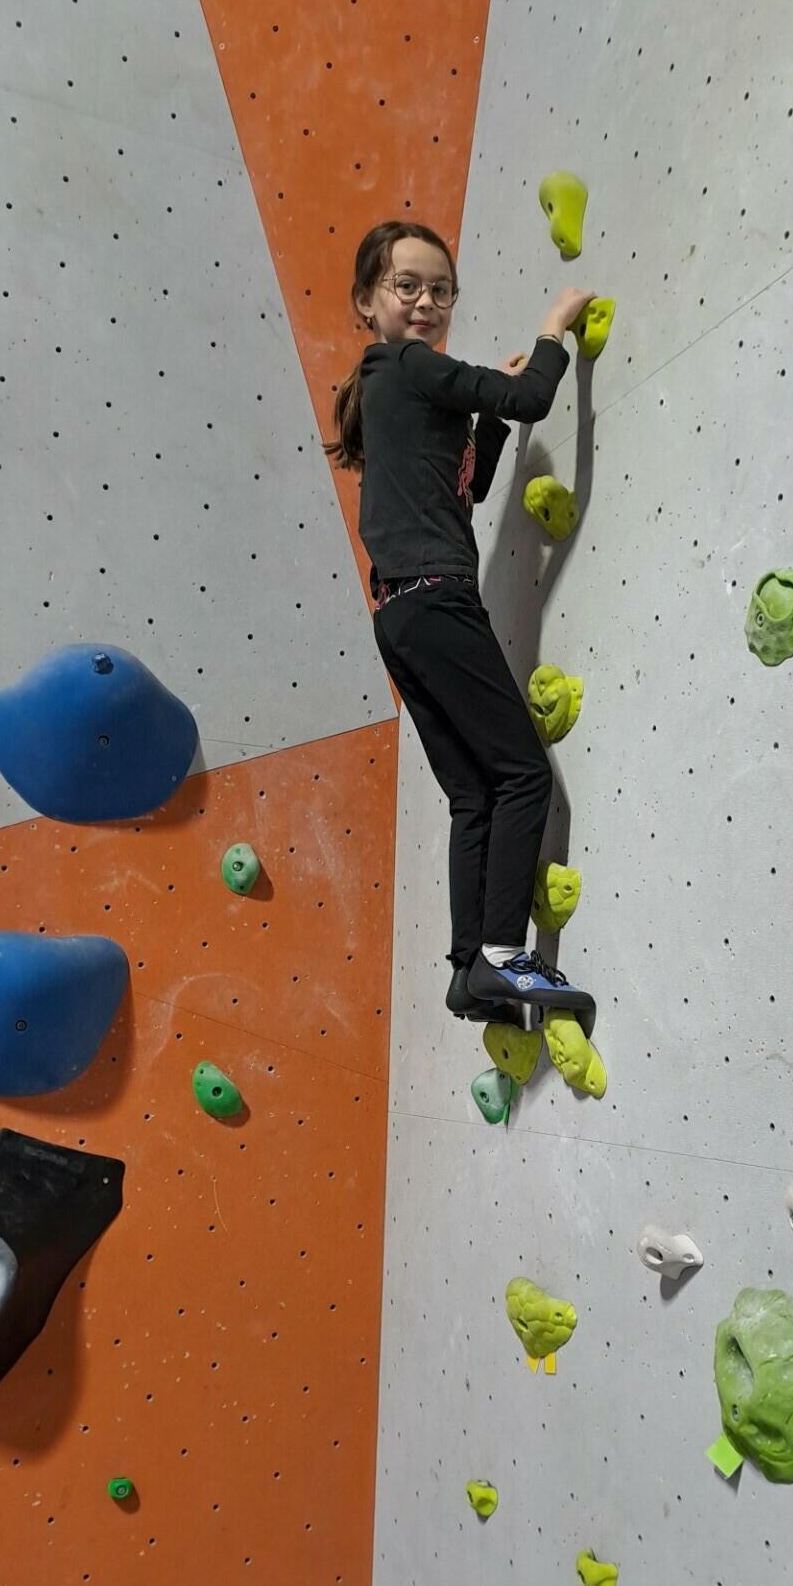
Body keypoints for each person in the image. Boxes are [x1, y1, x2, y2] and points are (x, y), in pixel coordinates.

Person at [325, 220, 597, 1033]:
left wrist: (491, 422)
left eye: (440, 290)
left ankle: (466, 973)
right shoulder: (410, 364)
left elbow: (465, 492)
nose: (426, 302)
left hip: (401, 614)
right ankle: (504, 956)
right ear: (367, 300)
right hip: (438, 599)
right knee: (523, 777)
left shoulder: (394, 388)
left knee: (474, 795)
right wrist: (553, 329)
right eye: (406, 285)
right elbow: (534, 396)